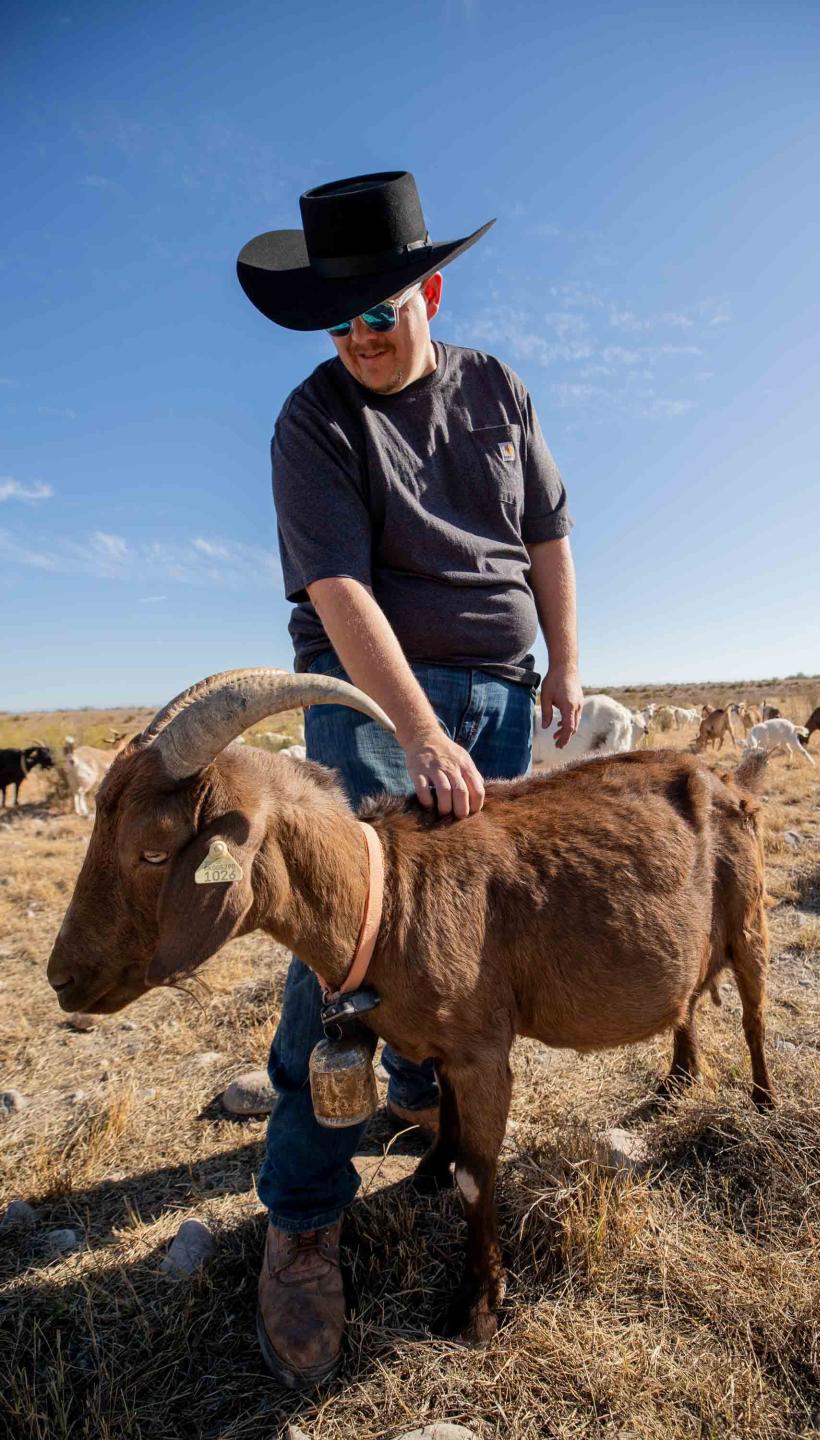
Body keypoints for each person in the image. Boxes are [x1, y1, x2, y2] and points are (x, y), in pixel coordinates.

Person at [236, 170, 583, 1388]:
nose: (362, 340)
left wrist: (566, 672)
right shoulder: (313, 421)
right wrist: (418, 729)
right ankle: (304, 1215)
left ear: (428, 291)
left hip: (501, 688)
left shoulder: (498, 387)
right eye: (340, 324)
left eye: (381, 312)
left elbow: (547, 534)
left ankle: (430, 1104)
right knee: (342, 953)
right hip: (376, 701)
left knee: (472, 941)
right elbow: (340, 592)